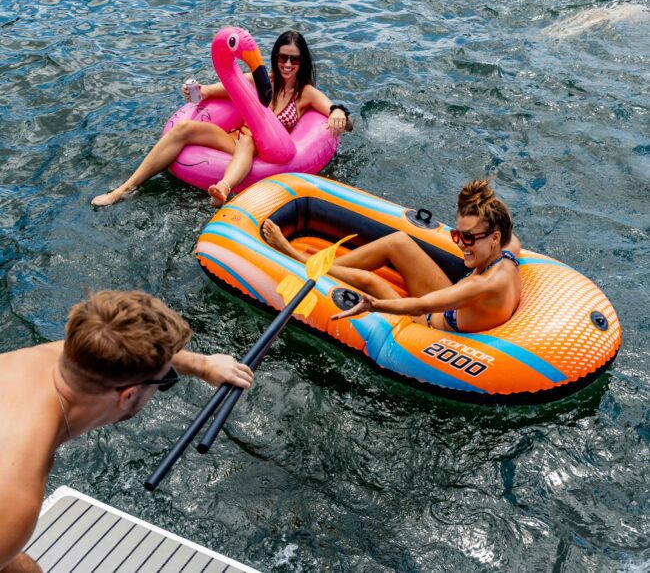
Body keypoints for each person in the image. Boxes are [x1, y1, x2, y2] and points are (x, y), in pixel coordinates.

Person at [0, 290, 254, 573]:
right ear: (129, 396)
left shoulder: (67, 356)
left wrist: (202, 364)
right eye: (165, 380)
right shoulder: (14, 498)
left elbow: (117, 348)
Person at [91, 30, 352, 208]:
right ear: (275, 57)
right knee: (184, 129)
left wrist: (340, 112)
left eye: (293, 59)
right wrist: (197, 91)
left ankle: (223, 188)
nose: (286, 64)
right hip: (235, 141)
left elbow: (338, 114)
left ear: (302, 61)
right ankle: (124, 189)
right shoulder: (264, 80)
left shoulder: (305, 94)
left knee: (248, 143)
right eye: (282, 57)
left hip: (263, 153)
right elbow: (217, 89)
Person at [263, 179, 522, 333]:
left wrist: (374, 305)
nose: (461, 245)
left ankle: (293, 255)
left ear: (494, 238)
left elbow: (421, 306)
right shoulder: (508, 254)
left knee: (371, 282)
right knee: (398, 242)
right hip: (454, 304)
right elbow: (513, 237)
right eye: (457, 236)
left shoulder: (482, 285)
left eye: (468, 238)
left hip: (428, 324)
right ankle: (322, 264)